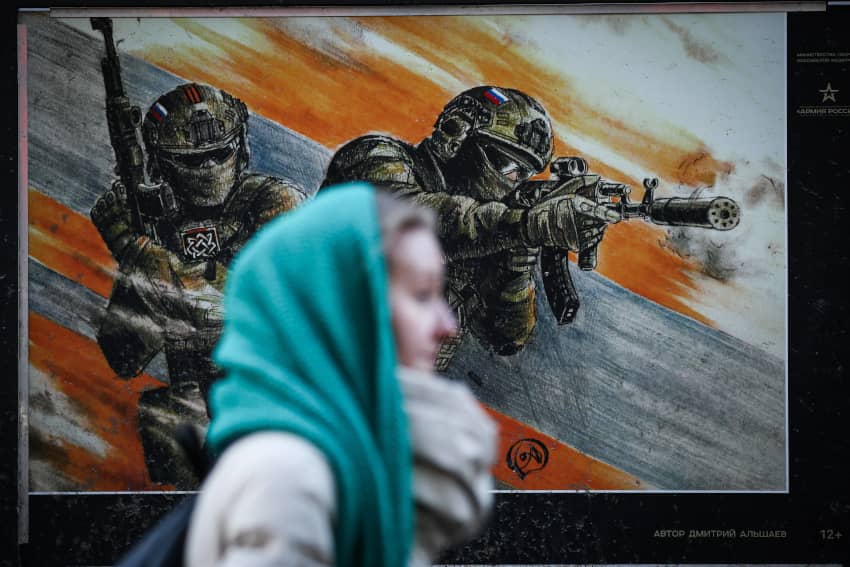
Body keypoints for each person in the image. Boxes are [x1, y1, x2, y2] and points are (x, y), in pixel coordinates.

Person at [184, 183, 498, 566]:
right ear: (346, 308)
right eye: (421, 295)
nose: (447, 325)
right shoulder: (292, 479)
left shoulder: (339, 457)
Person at [90, 82, 307, 488]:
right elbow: (123, 354)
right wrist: (145, 255)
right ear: (161, 164)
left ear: (240, 148)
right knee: (166, 418)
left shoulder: (277, 202)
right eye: (193, 160)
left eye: (219, 153)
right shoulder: (161, 230)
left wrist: (132, 247)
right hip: (202, 407)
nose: (209, 168)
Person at [322, 86, 613, 370]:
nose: (513, 180)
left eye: (522, 174)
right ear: (457, 136)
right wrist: (522, 225)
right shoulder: (378, 156)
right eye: (505, 163)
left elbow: (504, 338)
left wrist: (514, 269)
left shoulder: (486, 233)